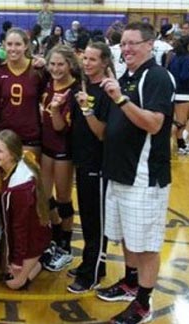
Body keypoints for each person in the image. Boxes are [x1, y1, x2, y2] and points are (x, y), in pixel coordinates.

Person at [97, 22, 176, 324]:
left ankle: (143, 303)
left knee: (145, 244)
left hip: (144, 177)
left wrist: (120, 99)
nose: (126, 49)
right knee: (128, 238)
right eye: (123, 44)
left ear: (150, 45)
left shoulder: (157, 77)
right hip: (120, 172)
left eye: (133, 43)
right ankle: (130, 282)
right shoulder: (128, 76)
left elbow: (155, 124)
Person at [67, 42, 115, 293]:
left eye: (92, 59)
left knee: (96, 221)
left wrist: (86, 108)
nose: (86, 63)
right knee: (86, 217)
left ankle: (92, 273)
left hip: (97, 164)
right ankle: (91, 262)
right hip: (82, 161)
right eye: (84, 58)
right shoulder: (83, 85)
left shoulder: (107, 90)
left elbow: (101, 133)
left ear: (105, 62)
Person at [0, 129, 51, 290]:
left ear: (12, 154)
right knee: (1, 269)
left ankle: (44, 256)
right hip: (14, 234)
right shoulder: (7, 167)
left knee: (13, 283)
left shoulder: (20, 188)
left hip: (32, 238)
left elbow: (20, 227)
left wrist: (17, 260)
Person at [39, 45, 79, 273]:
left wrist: (54, 110)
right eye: (52, 64)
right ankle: (55, 235)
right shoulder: (48, 82)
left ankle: (65, 246)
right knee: (44, 197)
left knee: (63, 198)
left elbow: (60, 126)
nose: (55, 68)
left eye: (60, 64)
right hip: (46, 146)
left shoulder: (74, 90)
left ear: (70, 65)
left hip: (64, 149)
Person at [0, 28, 46, 159]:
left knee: (28, 178)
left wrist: (45, 65)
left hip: (30, 135)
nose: (13, 49)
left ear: (26, 45)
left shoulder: (37, 70)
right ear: (4, 45)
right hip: (5, 135)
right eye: (9, 44)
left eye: (18, 44)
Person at [166, 36, 189, 154]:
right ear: (188, 45)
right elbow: (184, 76)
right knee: (181, 122)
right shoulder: (188, 59)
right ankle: (163, 139)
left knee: (180, 121)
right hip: (185, 92)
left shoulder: (174, 57)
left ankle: (181, 146)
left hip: (175, 91)